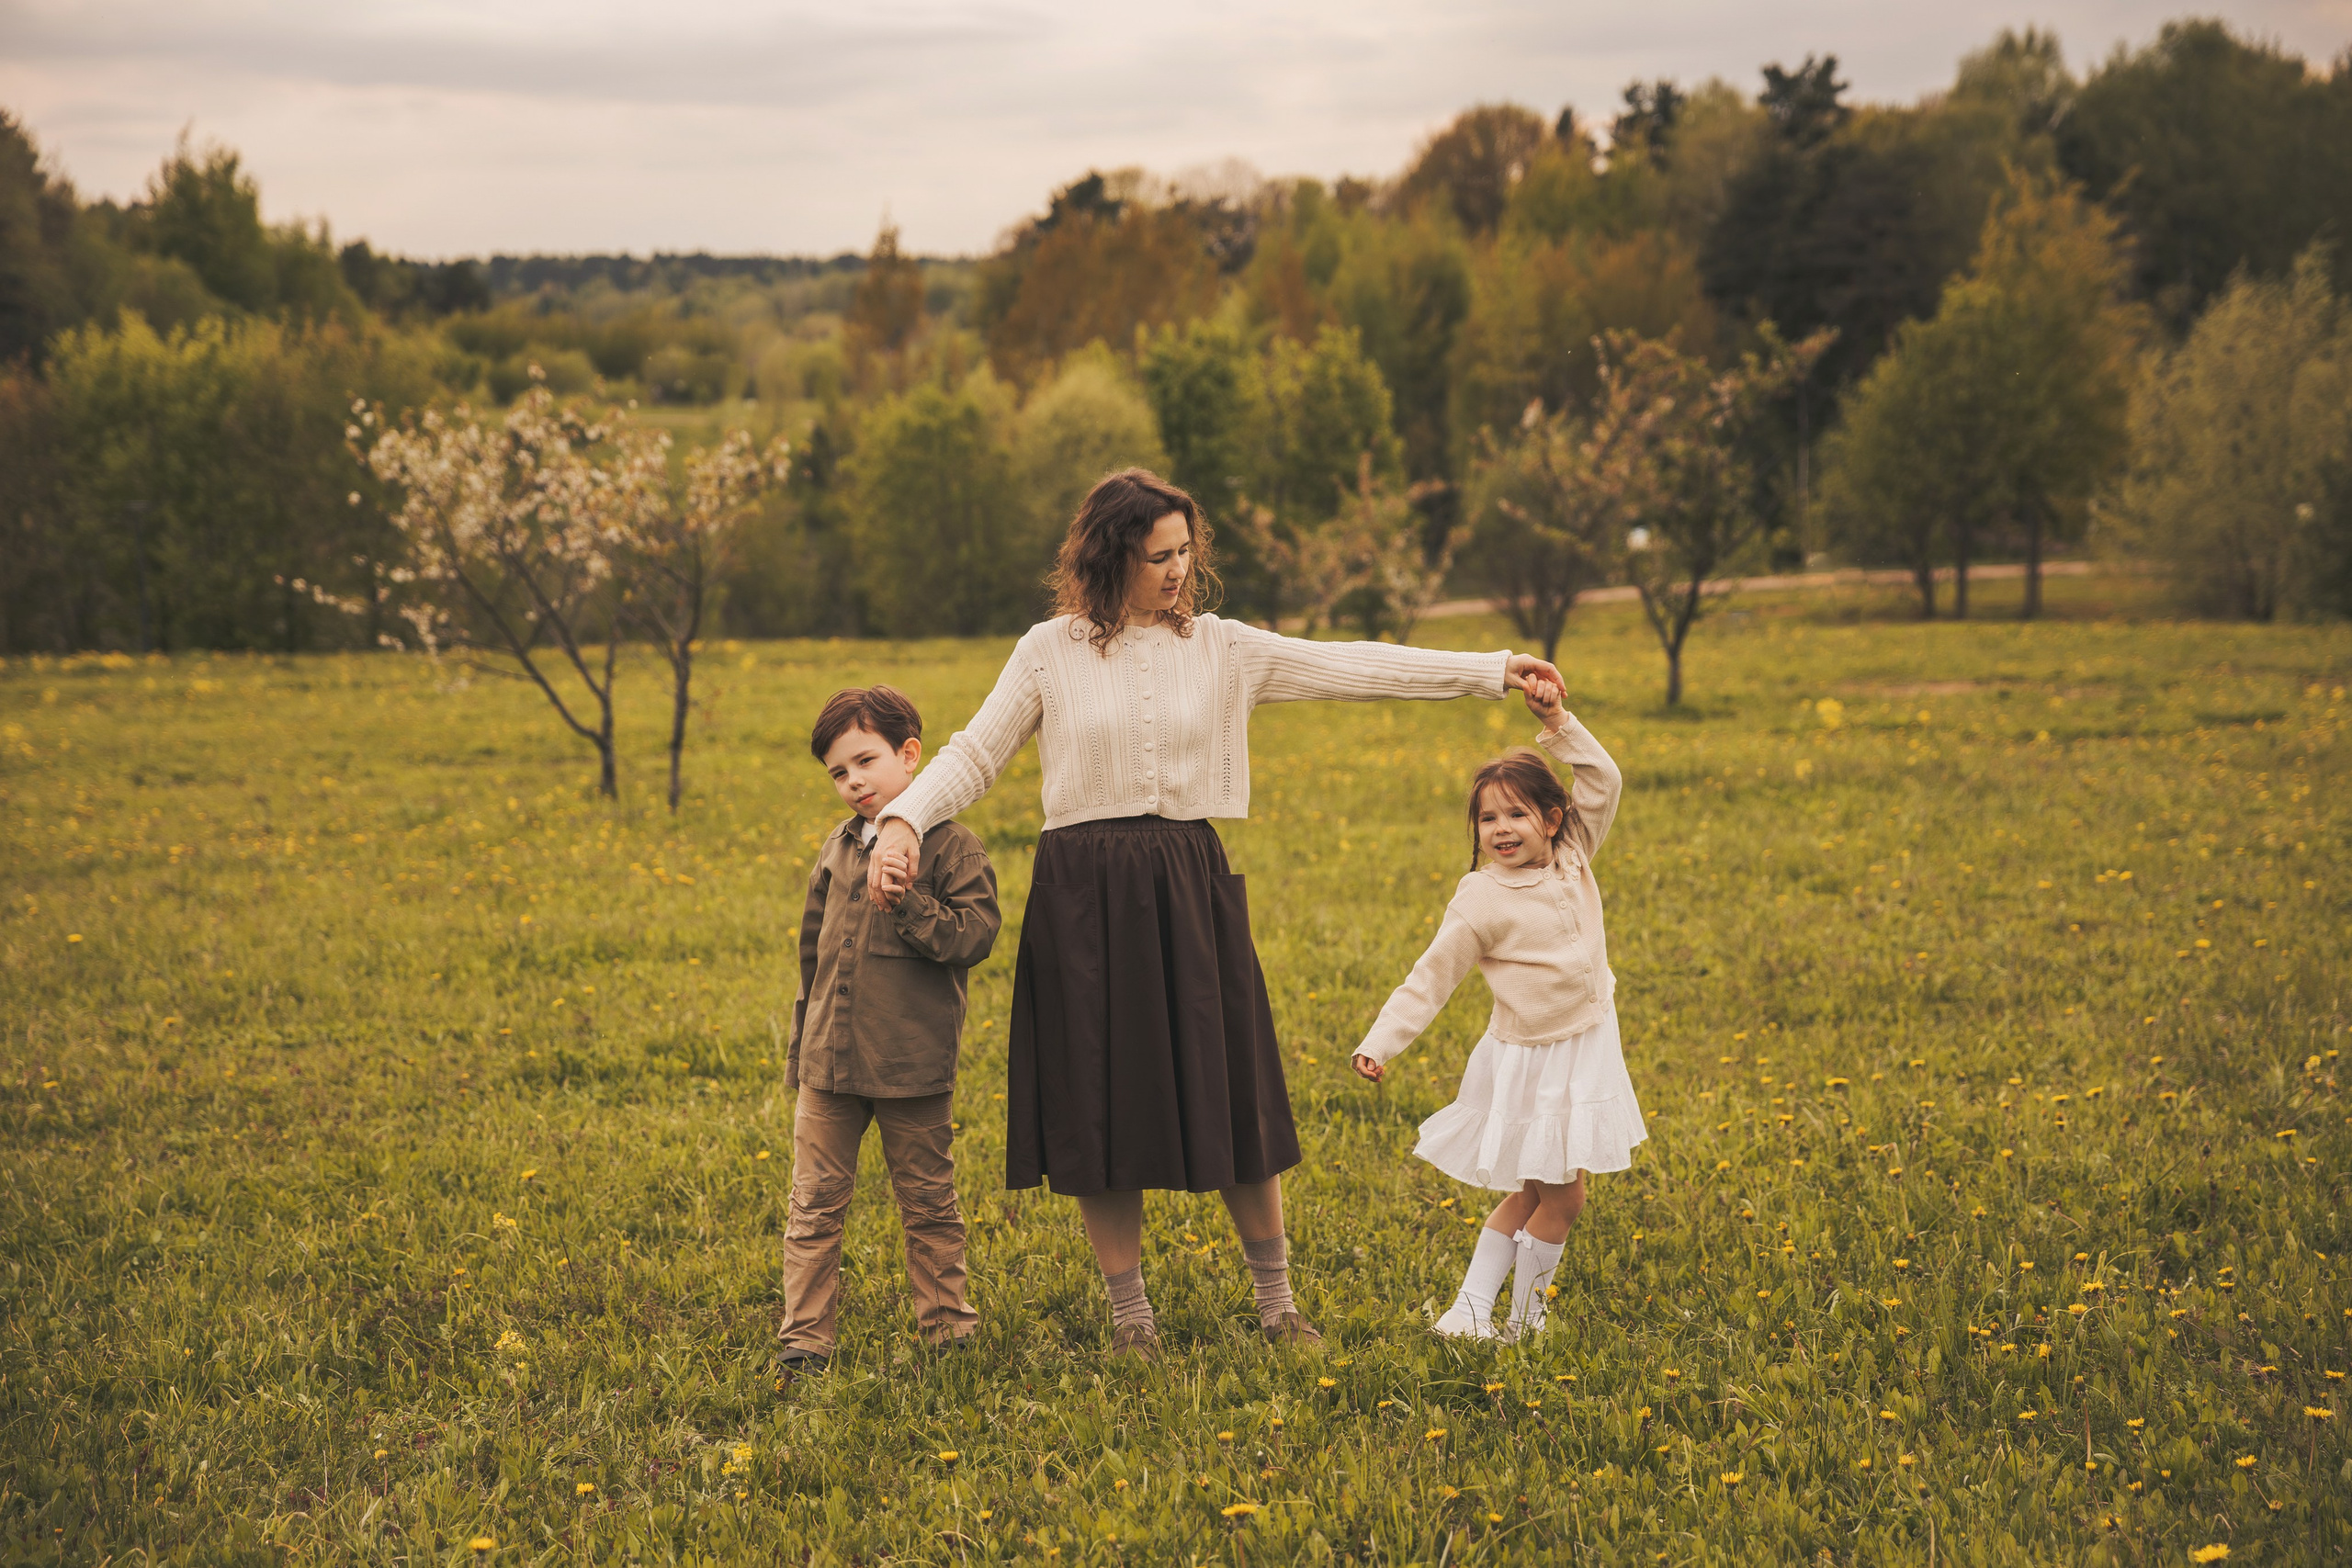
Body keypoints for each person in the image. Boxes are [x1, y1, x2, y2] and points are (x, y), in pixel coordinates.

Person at [867, 468, 1563, 1361]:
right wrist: (901, 820)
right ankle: (1131, 1320)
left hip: (1186, 885)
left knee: (1232, 1092)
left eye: (1185, 552)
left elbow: (1350, 664)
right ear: (1110, 554)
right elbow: (974, 753)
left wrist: (1492, 672)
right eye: (1157, 555)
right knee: (1100, 1104)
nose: (1175, 571)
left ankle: (1277, 1305)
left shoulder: (1223, 647)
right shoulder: (1049, 650)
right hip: (1082, 897)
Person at [1350, 676, 1641, 1341]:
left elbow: (1605, 779)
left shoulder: (1572, 857)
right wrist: (1381, 1040)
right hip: (1531, 1058)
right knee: (1564, 1197)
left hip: (1584, 1045)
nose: (1501, 829)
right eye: (1487, 818)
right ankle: (1524, 1321)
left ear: (1552, 819)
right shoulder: (1480, 898)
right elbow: (1431, 976)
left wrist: (1559, 721)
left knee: (1537, 1194)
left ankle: (1469, 1312)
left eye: (1515, 814)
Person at [775, 685, 1001, 1383]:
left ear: (911, 756)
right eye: (839, 773)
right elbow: (812, 958)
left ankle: (947, 1331)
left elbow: (975, 936)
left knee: (929, 1203)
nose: (854, 783)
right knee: (813, 1205)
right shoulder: (838, 850)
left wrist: (910, 904)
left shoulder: (952, 848)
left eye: (865, 761)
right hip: (830, 1068)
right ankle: (805, 1342)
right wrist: (801, 1049)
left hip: (911, 1068)